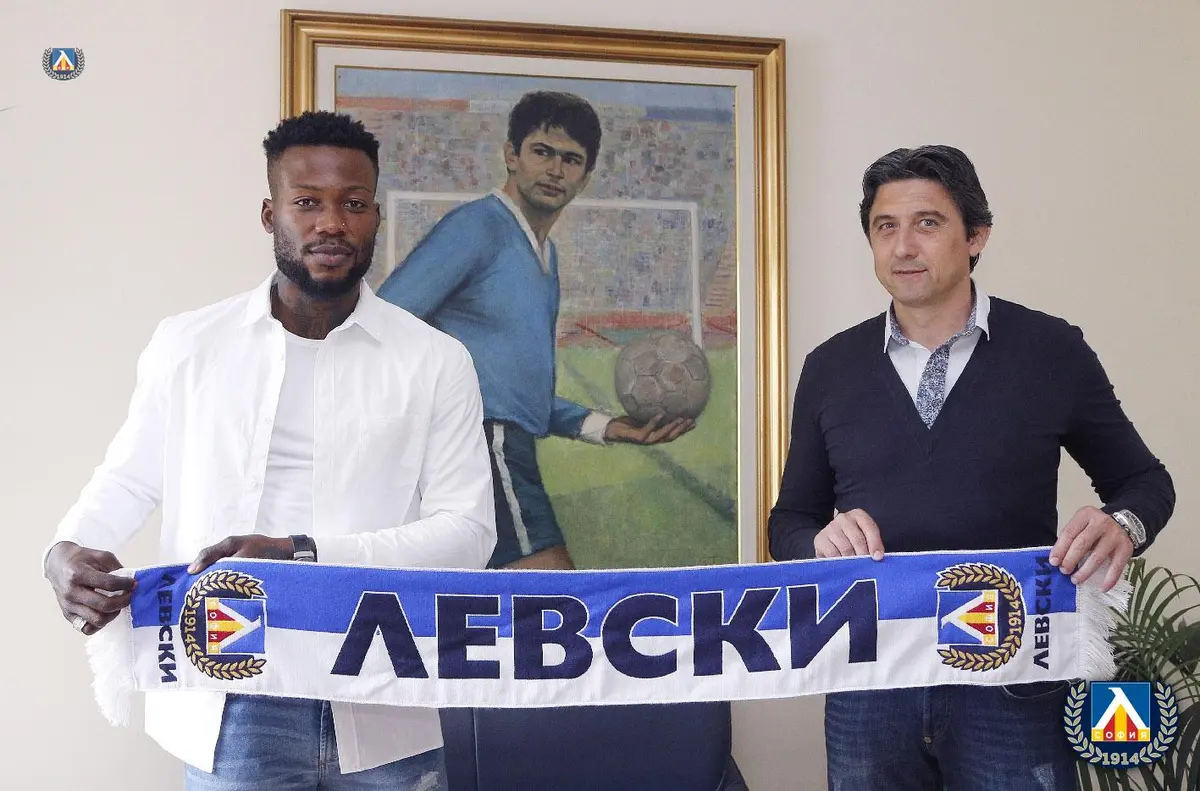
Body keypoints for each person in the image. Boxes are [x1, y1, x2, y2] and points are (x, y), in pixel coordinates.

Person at [42, 111, 496, 790]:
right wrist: (63, 550)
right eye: (307, 202)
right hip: (230, 688)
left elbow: (469, 533)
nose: (331, 223)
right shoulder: (189, 343)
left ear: (375, 217)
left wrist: (300, 553)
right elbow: (130, 479)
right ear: (269, 214)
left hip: (382, 689)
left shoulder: (436, 360)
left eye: (353, 204)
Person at [768, 144, 1175, 791]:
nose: (903, 246)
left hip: (1015, 678)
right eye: (885, 226)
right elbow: (788, 522)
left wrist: (1121, 524)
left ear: (976, 235)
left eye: (927, 223)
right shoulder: (829, 367)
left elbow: (1145, 482)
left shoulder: (1051, 350)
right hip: (871, 679)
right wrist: (817, 540)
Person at [378, 90, 691, 571]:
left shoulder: (547, 255)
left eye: (571, 159)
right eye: (542, 152)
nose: (555, 170)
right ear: (512, 154)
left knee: (497, 606)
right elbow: (384, 324)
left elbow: (518, 393)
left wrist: (604, 426)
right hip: (484, 445)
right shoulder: (477, 227)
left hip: (505, 445)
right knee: (553, 592)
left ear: (585, 176)